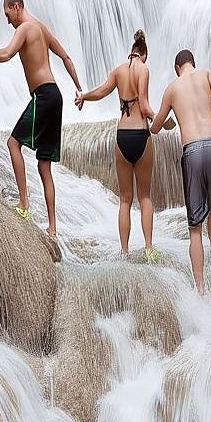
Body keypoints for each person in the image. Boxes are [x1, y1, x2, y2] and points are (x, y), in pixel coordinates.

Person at [0, 0, 82, 236]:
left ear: (16, 6)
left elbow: (6, 54)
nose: (7, 21)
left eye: (7, 14)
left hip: (43, 96)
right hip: (56, 96)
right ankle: (52, 227)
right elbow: (66, 56)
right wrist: (79, 88)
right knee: (44, 166)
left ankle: (24, 204)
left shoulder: (25, 28)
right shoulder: (41, 28)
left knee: (13, 143)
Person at [150, 50, 211, 294]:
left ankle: (201, 289)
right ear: (193, 63)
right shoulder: (208, 75)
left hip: (192, 150)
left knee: (194, 226)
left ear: (176, 68)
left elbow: (156, 127)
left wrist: (158, 122)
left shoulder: (172, 89)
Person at [75, 30, 157, 259]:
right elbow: (144, 106)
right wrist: (159, 118)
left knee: (124, 199)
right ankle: (149, 249)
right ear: (144, 54)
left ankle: (124, 252)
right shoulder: (143, 70)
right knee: (145, 197)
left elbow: (102, 91)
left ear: (132, 51)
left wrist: (83, 96)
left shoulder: (119, 70)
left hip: (122, 136)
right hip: (141, 134)